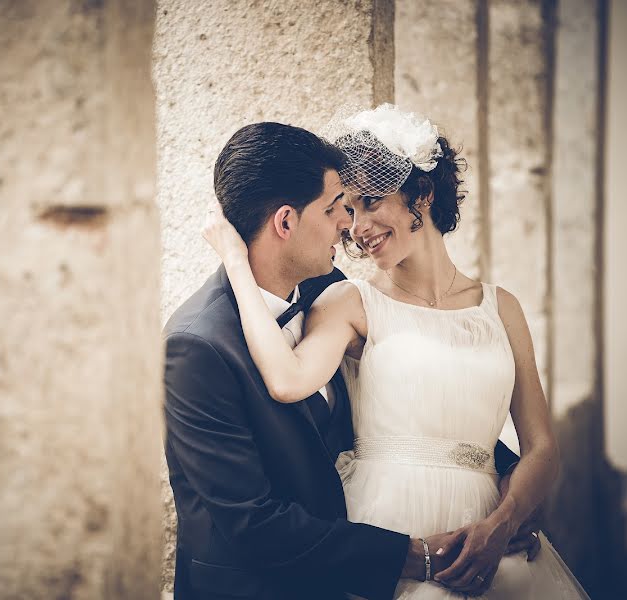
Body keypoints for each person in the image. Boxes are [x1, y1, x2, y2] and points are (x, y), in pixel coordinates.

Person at [201, 105, 590, 599]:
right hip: (389, 521)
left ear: (421, 194)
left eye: (371, 201)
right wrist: (236, 262)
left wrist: (503, 520)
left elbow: (542, 448)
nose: (357, 226)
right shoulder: (352, 301)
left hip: (488, 527)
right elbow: (287, 379)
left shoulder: (501, 307)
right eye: (347, 207)